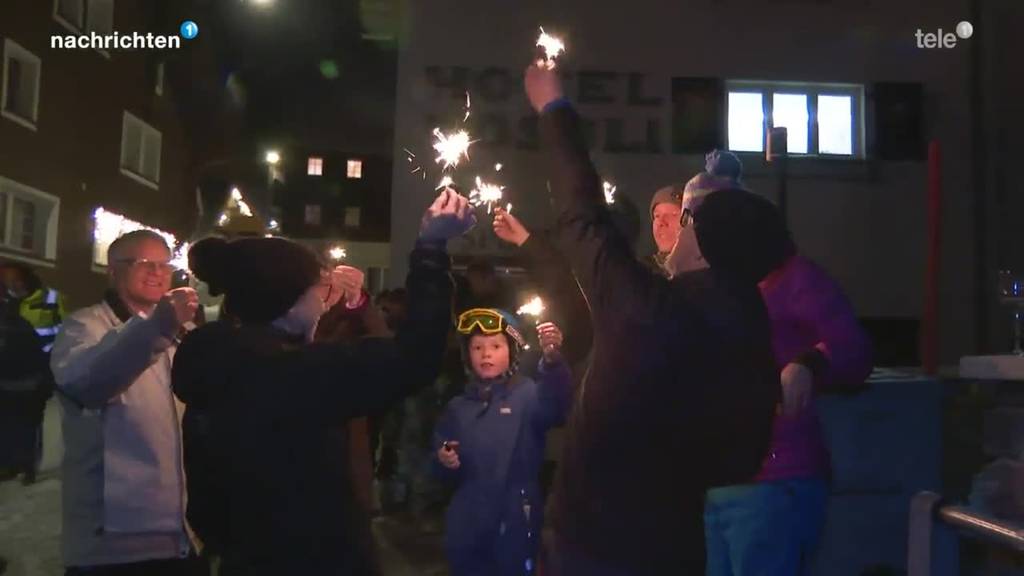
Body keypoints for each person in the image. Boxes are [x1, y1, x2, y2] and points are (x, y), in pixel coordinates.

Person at [524, 62, 785, 575]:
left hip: (595, 546)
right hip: (675, 548)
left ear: (702, 240)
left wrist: (554, 111)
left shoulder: (650, 310)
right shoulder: (751, 331)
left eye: (687, 219)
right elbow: (743, 458)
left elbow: (582, 217)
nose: (676, 227)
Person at [171, 188, 474, 575]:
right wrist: (431, 249)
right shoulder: (298, 375)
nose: (322, 300)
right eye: (316, 292)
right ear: (288, 299)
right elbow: (414, 357)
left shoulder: (215, 362)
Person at [677, 180, 873, 576]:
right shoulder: (725, 288)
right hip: (719, 479)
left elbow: (852, 346)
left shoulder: (797, 281)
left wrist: (811, 362)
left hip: (774, 480)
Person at [49, 230, 205, 575]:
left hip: (178, 536)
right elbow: (86, 382)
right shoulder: (85, 326)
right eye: (143, 263)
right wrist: (157, 329)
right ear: (112, 270)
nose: (157, 272)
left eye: (164, 264)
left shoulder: (179, 332)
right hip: (112, 546)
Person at [433, 308, 572, 576]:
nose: (486, 354)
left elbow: (556, 406)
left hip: (517, 521)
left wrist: (553, 362)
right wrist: (444, 459)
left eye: (496, 346)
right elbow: (440, 465)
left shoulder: (529, 395)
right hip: (467, 523)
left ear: (513, 352)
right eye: (477, 347)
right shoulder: (457, 407)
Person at [0, 262, 65, 484]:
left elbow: (66, 335)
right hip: (7, 373)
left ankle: (28, 466)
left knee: (30, 423)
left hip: (37, 372)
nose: (11, 283)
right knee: (7, 421)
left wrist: (51, 369)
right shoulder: (6, 302)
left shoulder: (51, 299)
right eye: (6, 278)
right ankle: (8, 464)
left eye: (14, 278)